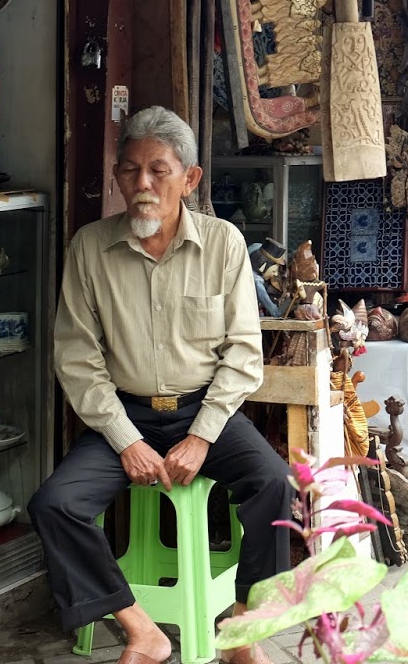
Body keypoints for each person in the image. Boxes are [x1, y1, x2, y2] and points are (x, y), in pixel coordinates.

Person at [28, 107, 292, 664]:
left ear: (190, 179)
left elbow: (243, 355)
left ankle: (243, 630)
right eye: (129, 171)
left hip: (206, 413)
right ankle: (142, 630)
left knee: (272, 482)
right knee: (55, 504)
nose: (142, 184)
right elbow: (78, 359)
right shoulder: (90, 248)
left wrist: (201, 437)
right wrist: (126, 440)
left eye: (158, 170)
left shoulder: (223, 244)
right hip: (123, 415)